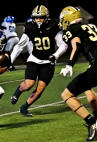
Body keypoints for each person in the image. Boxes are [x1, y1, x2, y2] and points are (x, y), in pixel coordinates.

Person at [10, 5, 68, 117]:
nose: (38, 20)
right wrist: (10, 61)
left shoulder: (54, 26)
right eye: (36, 18)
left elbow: (63, 45)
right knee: (28, 85)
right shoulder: (29, 27)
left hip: (48, 62)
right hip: (34, 59)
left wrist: (55, 55)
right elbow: (19, 46)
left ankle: (24, 107)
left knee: (40, 88)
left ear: (46, 17)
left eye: (41, 17)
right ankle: (18, 92)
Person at [58, 6, 97, 141]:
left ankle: (91, 122)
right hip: (94, 65)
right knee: (87, 87)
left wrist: (69, 65)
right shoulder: (92, 26)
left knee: (67, 94)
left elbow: (77, 46)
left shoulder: (72, 30)